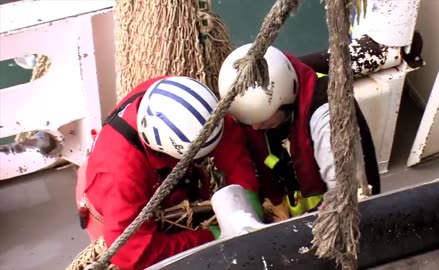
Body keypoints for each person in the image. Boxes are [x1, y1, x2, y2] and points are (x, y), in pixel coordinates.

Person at [75, 75, 263, 270]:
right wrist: (211, 237)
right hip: (110, 209)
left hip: (165, 182)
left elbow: (226, 136)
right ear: (165, 152)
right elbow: (134, 254)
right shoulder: (119, 175)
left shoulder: (180, 99)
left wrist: (247, 193)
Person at [218, 43, 381, 220]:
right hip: (292, 208)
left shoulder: (328, 115)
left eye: (263, 120)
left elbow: (345, 193)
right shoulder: (264, 108)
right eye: (249, 122)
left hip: (331, 214)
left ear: (286, 102)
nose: (255, 128)